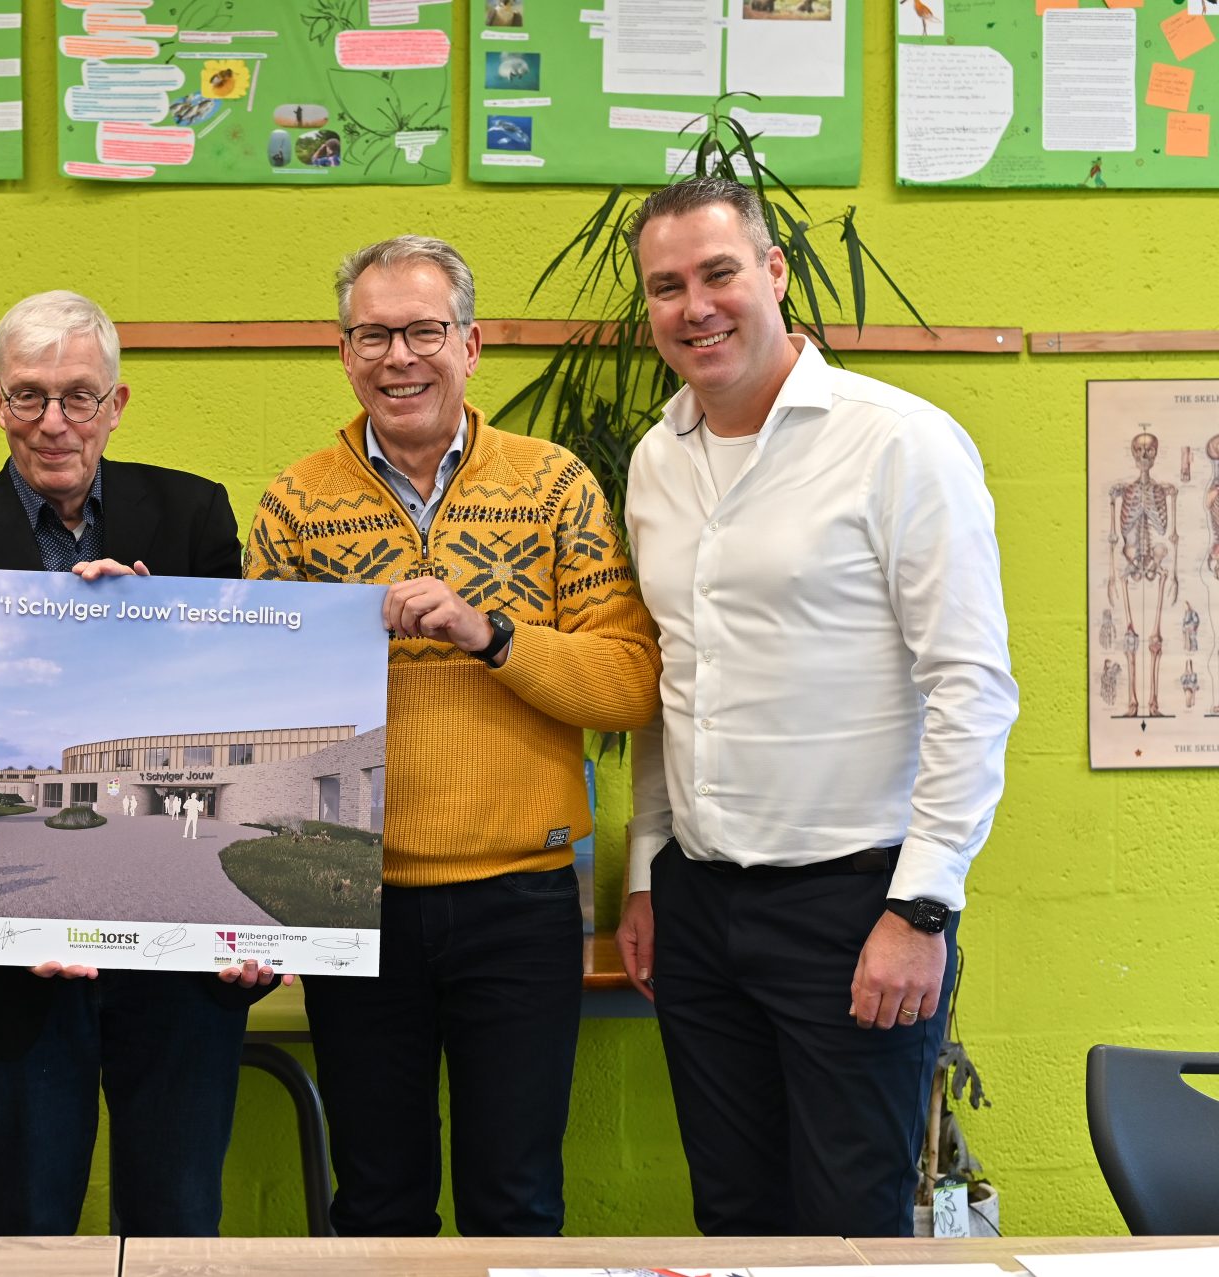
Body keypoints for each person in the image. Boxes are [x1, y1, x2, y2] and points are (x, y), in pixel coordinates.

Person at [614, 177, 1018, 1237]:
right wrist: (647, 867)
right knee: (736, 1217)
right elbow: (673, 680)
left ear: (774, 272)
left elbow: (972, 684)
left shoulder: (899, 442)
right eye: (666, 286)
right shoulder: (656, 461)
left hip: (856, 906)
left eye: (717, 273)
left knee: (853, 1229)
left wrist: (922, 905)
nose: (694, 305)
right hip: (699, 905)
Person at [244, 236, 662, 1237]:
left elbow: (627, 682)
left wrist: (495, 633)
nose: (400, 356)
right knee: (377, 1201)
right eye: (374, 334)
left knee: (515, 1200)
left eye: (424, 331)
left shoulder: (555, 486)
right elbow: (260, 707)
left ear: (470, 344)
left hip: (521, 897)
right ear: (344, 352)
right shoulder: (295, 501)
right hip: (355, 899)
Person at [0, 289, 282, 1237]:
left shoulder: (190, 515)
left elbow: (231, 697)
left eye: (77, 396)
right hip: (10, 973)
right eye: (28, 397)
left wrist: (151, 633)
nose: (53, 422)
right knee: (26, 1217)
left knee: (179, 1215)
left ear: (117, 403)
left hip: (179, 972)